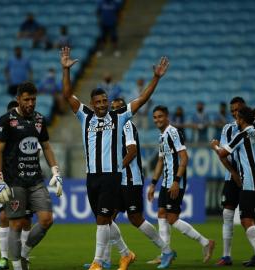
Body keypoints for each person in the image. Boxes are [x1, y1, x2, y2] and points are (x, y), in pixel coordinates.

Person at [61, 46, 169, 270]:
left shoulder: (119, 116)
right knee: (104, 220)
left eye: (104, 101)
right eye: (98, 102)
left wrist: (155, 78)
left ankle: (98, 262)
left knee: (102, 219)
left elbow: (141, 99)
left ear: (108, 101)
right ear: (92, 104)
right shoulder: (85, 116)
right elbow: (66, 95)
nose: (102, 105)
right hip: (92, 176)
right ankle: (125, 253)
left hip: (112, 175)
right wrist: (66, 71)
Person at [84, 98, 175, 269]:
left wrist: (116, 168)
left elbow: (132, 151)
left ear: (125, 110)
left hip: (130, 179)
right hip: (117, 181)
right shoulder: (110, 126)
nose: (115, 111)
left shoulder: (126, 126)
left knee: (136, 219)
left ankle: (166, 250)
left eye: (119, 108)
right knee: (107, 218)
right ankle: (104, 259)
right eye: (114, 108)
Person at [0, 82, 63, 270]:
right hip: (14, 181)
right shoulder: (6, 120)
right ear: (18, 99)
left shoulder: (39, 119)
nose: (31, 103)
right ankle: (17, 266)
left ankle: (23, 253)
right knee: (16, 225)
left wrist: (56, 170)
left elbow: (46, 146)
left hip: (35, 180)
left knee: (47, 219)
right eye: (27, 99)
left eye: (33, 99)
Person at [214, 97, 255, 267]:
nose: (234, 115)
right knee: (243, 216)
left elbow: (222, 152)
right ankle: (231, 255)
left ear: (243, 114)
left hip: (249, 181)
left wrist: (214, 146)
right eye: (232, 112)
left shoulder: (245, 132)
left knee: (248, 219)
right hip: (252, 180)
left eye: (237, 112)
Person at [147, 105, 215, 265]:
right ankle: (165, 253)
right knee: (161, 214)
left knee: (171, 218)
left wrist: (177, 181)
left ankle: (206, 242)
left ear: (167, 117)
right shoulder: (161, 136)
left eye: (160, 116)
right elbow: (161, 161)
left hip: (175, 181)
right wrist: (153, 184)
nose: (157, 120)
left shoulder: (173, 132)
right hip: (165, 182)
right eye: (155, 117)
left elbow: (184, 158)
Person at [0, 100, 33, 270]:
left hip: (25, 181)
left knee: (25, 221)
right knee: (4, 217)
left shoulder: (29, 130)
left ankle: (24, 256)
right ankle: (4, 258)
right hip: (6, 182)